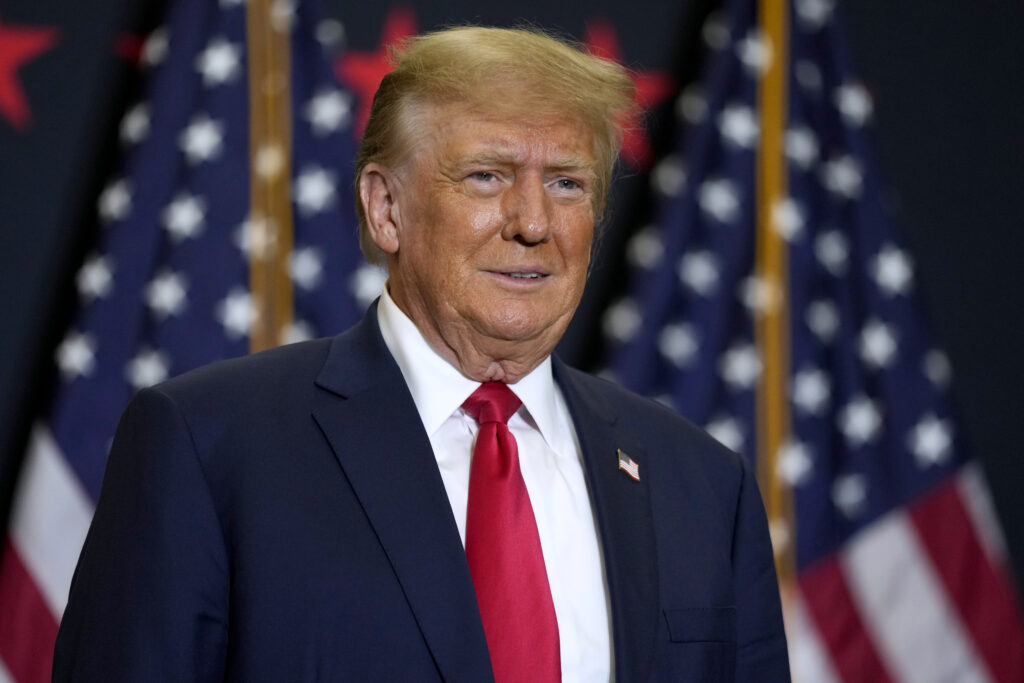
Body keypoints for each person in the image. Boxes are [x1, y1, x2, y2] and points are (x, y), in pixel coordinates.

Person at [53, 26, 790, 682]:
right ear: (385, 208)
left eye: (567, 183)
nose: (534, 222)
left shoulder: (700, 483)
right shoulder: (208, 446)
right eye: (487, 176)